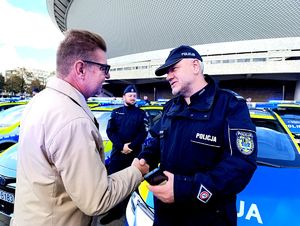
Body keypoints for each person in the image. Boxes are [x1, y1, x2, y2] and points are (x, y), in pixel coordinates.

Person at [12, 29, 149, 226]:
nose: (107, 75)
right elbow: (97, 199)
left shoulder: (40, 101)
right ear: (81, 69)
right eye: (104, 68)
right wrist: (137, 171)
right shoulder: (72, 120)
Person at [138, 45, 257, 226]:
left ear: (195, 66)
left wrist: (184, 188)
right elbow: (157, 139)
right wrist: (145, 158)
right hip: (166, 216)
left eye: (173, 69)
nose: (168, 76)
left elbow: (241, 165)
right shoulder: (170, 107)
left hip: (208, 218)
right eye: (167, 72)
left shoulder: (230, 105)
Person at [102, 85, 148, 224]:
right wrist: (121, 146)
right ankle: (114, 211)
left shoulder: (141, 113)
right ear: (124, 97)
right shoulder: (116, 112)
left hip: (133, 155)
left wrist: (131, 147)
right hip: (118, 153)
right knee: (114, 182)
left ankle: (129, 210)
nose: (132, 98)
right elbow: (111, 131)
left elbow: (143, 133)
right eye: (130, 95)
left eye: (134, 96)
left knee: (132, 183)